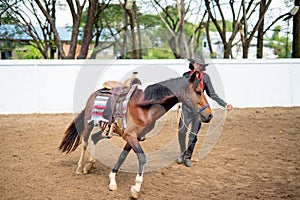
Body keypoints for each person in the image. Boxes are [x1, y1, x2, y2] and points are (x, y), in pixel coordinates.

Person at [178, 58, 233, 167]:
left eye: (200, 64)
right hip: (187, 108)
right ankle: (182, 152)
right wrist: (179, 102)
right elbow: (182, 91)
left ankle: (188, 157)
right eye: (196, 63)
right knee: (181, 131)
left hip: (199, 110)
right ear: (192, 64)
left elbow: (212, 94)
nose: (198, 65)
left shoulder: (205, 78)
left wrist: (224, 104)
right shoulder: (186, 76)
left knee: (193, 134)